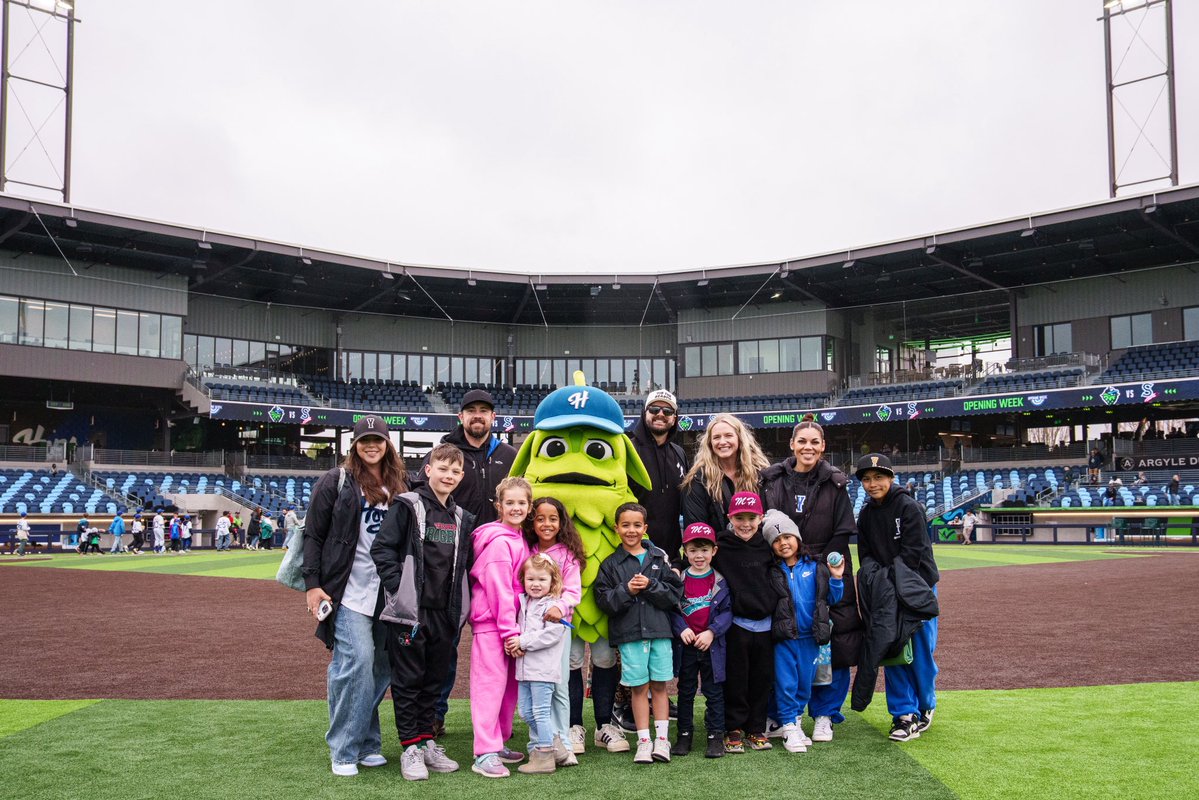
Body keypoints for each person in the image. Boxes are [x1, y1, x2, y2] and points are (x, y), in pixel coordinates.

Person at [301, 415, 407, 777]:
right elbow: (313, 535)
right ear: (355, 445)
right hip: (348, 590)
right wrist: (313, 584)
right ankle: (344, 749)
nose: (372, 445)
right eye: (365, 440)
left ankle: (368, 743)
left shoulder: (401, 483)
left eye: (378, 439)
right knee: (357, 662)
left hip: (388, 591)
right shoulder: (337, 480)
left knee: (381, 667)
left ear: (388, 444)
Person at [372, 441, 475, 782]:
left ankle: (427, 741)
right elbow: (382, 548)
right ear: (428, 470)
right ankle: (410, 748)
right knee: (408, 681)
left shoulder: (461, 518)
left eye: (455, 471)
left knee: (434, 680)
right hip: (410, 613)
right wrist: (399, 590)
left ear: (461, 476)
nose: (449, 475)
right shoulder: (408, 505)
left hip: (444, 615)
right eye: (442, 468)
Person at [759, 420, 862, 743]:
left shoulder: (835, 483)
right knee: (783, 641)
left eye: (814, 442)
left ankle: (824, 714)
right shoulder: (771, 480)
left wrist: (820, 569)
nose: (808, 447)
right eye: (802, 441)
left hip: (826, 568)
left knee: (833, 641)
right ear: (792, 444)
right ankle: (783, 715)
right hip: (783, 570)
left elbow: (843, 531)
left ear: (823, 445)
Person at [425, 388, 519, 735]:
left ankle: (501, 720)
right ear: (461, 417)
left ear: (493, 418)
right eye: (471, 411)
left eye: (485, 411)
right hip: (452, 564)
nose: (478, 416)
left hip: (500, 567)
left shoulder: (509, 454)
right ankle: (435, 714)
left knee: (501, 643)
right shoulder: (446, 454)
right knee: (444, 644)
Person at [853, 453, 940, 743]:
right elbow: (865, 556)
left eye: (878, 477)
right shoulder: (865, 514)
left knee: (922, 654)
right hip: (887, 592)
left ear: (890, 478)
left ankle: (925, 704)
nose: (872, 483)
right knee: (893, 651)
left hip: (917, 590)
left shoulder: (909, 506)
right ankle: (904, 713)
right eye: (866, 479)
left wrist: (886, 578)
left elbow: (913, 555)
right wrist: (878, 580)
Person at [594, 502, 685, 764]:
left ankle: (662, 740)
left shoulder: (658, 558)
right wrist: (628, 590)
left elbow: (674, 594)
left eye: (637, 525)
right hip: (630, 636)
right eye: (625, 525)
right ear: (616, 528)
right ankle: (644, 741)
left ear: (645, 528)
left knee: (659, 687)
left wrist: (651, 585)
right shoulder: (610, 564)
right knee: (638, 688)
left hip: (659, 633)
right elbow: (605, 602)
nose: (631, 530)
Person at [468, 476, 534, 778]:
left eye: (522, 503)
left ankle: (498, 742)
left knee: (509, 689)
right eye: (510, 503)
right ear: (499, 506)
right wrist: (510, 632)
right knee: (489, 689)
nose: (516, 507)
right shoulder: (498, 542)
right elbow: (500, 592)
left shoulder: (519, 538)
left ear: (529, 506)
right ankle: (484, 752)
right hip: (493, 627)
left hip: (510, 627)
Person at [762, 510, 844, 754]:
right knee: (785, 684)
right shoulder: (772, 570)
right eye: (776, 540)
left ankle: (796, 722)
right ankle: (787, 726)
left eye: (787, 536)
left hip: (811, 637)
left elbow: (830, 598)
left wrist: (837, 578)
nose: (783, 543)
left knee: (805, 685)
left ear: (797, 538)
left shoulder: (816, 567)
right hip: (784, 637)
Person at [711, 491, 778, 754]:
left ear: (761, 518)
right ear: (730, 518)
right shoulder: (721, 545)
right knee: (736, 679)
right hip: (736, 624)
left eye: (751, 518)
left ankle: (756, 728)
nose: (746, 524)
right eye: (740, 518)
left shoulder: (767, 546)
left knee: (762, 679)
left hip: (766, 625)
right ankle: (734, 728)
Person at [522, 497, 583, 766]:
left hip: (556, 631)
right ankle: (538, 742)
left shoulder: (567, 554)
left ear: (561, 522)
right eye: (540, 518)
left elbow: (573, 591)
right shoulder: (527, 549)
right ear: (532, 522)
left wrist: (559, 606)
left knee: (558, 686)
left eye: (553, 519)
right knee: (532, 688)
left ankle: (564, 744)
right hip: (529, 631)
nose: (547, 524)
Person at [670, 522, 731, 759]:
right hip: (686, 645)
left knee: (713, 692)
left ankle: (715, 736)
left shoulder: (719, 581)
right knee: (685, 691)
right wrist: (681, 628)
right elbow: (672, 611)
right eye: (693, 550)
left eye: (704, 550)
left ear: (714, 551)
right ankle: (684, 735)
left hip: (711, 646)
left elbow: (727, 612)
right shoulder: (679, 580)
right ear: (685, 551)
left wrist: (712, 631)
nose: (699, 555)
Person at [507, 553, 570, 775]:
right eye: (531, 579)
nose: (535, 584)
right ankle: (556, 745)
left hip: (542, 670)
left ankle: (544, 756)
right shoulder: (525, 602)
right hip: (525, 668)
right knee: (525, 712)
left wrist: (522, 641)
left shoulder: (553, 606)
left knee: (541, 712)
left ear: (552, 582)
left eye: (542, 580)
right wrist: (515, 643)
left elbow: (552, 635)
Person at [629, 389, 689, 560]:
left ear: (674, 418)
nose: (660, 414)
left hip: (671, 554)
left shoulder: (679, 453)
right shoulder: (629, 450)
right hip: (635, 551)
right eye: (654, 410)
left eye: (667, 411)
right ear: (644, 413)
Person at [682, 413, 769, 532]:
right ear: (710, 443)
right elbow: (696, 530)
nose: (722, 442)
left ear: (739, 438)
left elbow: (770, 518)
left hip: (757, 548)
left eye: (728, 435)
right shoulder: (698, 480)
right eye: (716, 437)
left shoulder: (761, 474)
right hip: (717, 548)